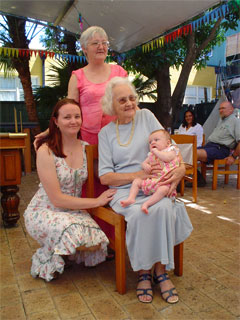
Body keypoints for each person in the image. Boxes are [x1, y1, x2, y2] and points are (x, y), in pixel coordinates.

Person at [98, 77, 193, 304]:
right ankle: (144, 271)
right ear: (111, 105)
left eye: (132, 98)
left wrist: (180, 169)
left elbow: (171, 147)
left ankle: (158, 271)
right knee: (142, 212)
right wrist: (136, 176)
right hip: (124, 190)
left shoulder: (147, 117)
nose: (129, 103)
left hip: (155, 184)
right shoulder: (105, 133)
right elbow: (105, 176)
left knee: (160, 208)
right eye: (122, 100)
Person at [24, 98, 116, 282]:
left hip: (73, 211)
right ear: (56, 122)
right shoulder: (46, 151)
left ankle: (61, 247)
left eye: (77, 116)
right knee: (72, 231)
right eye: (67, 117)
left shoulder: (86, 148)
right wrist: (97, 201)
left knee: (97, 241)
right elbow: (57, 199)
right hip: (45, 210)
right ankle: (47, 255)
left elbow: (103, 175)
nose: (73, 121)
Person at [120, 129, 180, 214]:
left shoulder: (171, 150)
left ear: (168, 143)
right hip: (152, 181)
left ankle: (147, 204)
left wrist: (157, 152)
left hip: (164, 182)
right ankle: (131, 198)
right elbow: (144, 162)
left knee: (163, 190)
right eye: (150, 142)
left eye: (156, 140)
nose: (152, 143)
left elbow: (167, 158)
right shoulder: (151, 154)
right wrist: (145, 165)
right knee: (137, 181)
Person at [197, 101, 240, 165]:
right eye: (219, 109)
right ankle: (197, 174)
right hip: (209, 147)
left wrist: (233, 157)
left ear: (231, 109)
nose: (221, 110)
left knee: (193, 153)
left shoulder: (236, 121)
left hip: (220, 149)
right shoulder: (221, 120)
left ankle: (196, 174)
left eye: (223, 108)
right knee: (184, 152)